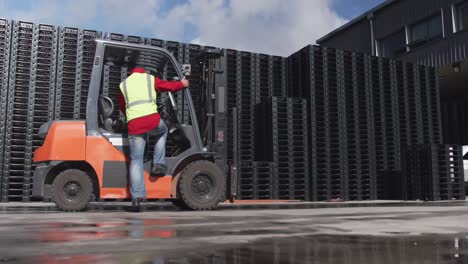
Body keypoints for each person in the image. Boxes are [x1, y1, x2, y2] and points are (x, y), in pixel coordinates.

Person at [118, 66, 189, 211]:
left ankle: (136, 198)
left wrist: (133, 117)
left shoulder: (123, 84)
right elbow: (167, 86)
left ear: (132, 73)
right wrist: (182, 84)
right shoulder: (149, 79)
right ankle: (158, 163)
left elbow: (122, 106)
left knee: (136, 161)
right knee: (163, 131)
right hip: (152, 121)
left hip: (134, 125)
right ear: (143, 72)